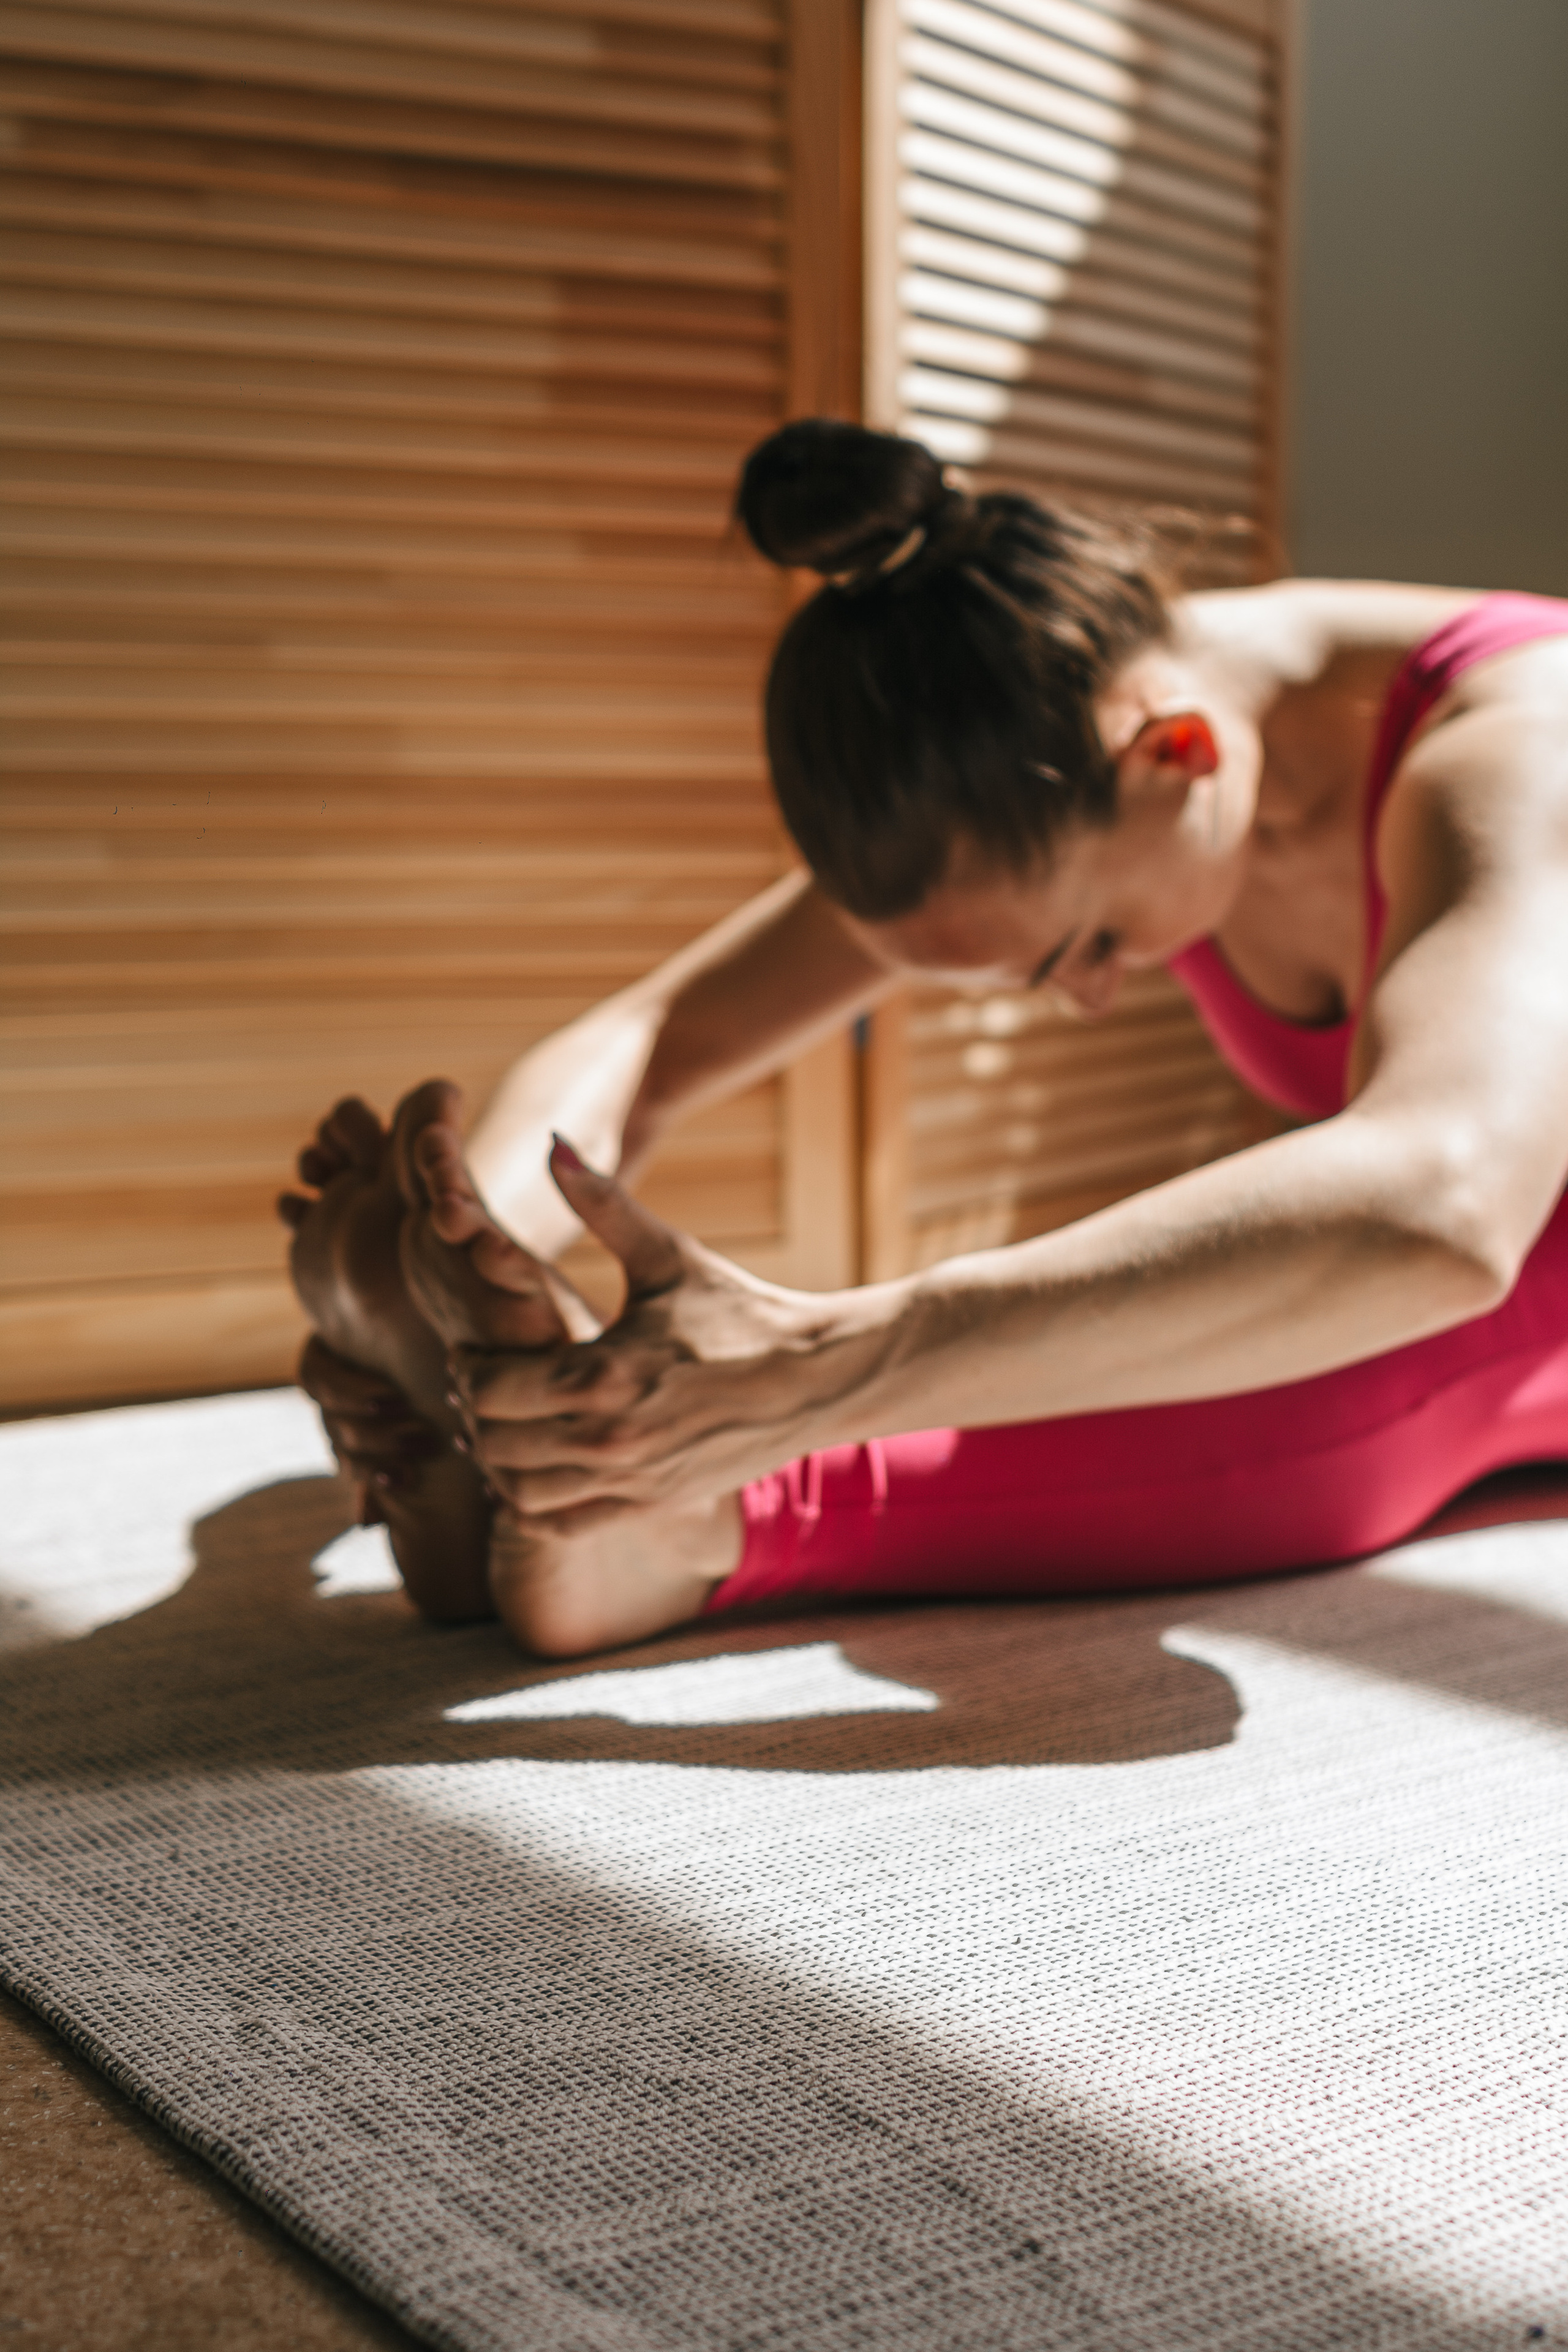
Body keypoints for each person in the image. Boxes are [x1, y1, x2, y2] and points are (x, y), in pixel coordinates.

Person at [279, 419, 1568, 1659]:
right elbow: (657, 1032)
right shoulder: (1042, 732)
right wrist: (469, 1253)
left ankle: (691, 1526)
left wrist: (822, 1362)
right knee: (1199, 1303)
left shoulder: (1525, 740)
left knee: (1347, 1315)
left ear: (1174, 752)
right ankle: (602, 1494)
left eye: (1088, 944)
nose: (1090, 995)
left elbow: (1443, 1208)